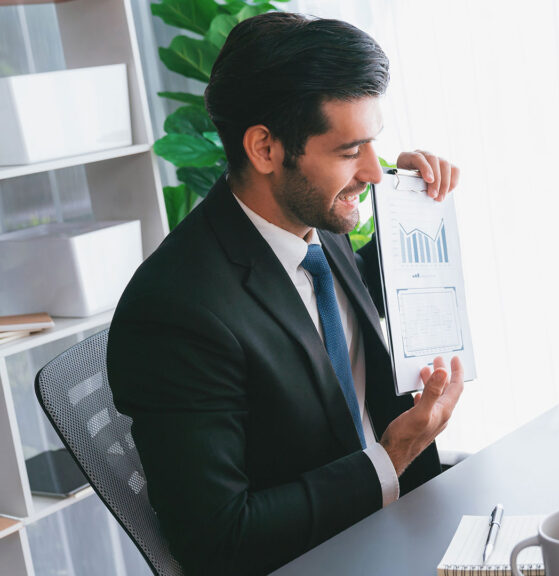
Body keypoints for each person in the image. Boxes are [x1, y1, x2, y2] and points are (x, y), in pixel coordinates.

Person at [107, 12, 463, 575]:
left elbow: (334, 322)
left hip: (406, 525)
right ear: (265, 149)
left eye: (374, 144)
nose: (374, 170)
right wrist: (389, 459)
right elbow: (219, 539)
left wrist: (409, 211)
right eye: (350, 151)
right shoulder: (174, 312)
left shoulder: (312, 220)